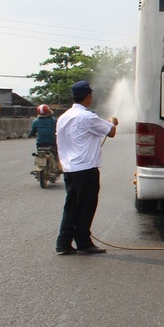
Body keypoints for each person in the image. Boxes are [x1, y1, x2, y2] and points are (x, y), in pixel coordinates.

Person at [54, 81, 118, 255]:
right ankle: (83, 241)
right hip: (86, 168)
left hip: (70, 168)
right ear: (88, 96)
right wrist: (112, 121)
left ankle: (63, 242)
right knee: (86, 205)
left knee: (72, 205)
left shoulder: (64, 117)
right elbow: (111, 132)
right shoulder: (88, 117)